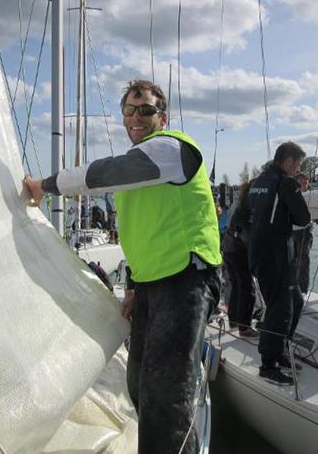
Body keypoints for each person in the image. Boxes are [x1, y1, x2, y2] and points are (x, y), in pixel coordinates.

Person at [24, 79, 222, 454]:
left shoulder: (171, 149)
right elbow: (141, 233)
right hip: (151, 286)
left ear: (161, 116)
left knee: (166, 396)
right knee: (139, 385)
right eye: (129, 111)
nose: (136, 117)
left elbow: (104, 173)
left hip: (186, 281)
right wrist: (132, 285)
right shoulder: (140, 172)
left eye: (145, 110)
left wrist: (45, 186)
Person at [248, 142, 310, 385]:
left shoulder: (259, 182)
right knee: (280, 308)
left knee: (294, 301)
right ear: (290, 161)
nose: (298, 170)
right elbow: (303, 218)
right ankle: (268, 365)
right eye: (299, 165)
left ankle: (280, 349)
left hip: (259, 252)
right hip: (276, 255)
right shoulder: (286, 182)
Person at [222, 180, 258, 337]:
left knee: (237, 285)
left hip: (228, 249)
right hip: (238, 251)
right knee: (248, 287)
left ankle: (235, 321)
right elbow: (247, 236)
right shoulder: (247, 210)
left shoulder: (239, 206)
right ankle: (244, 327)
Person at [292, 173, 313, 294]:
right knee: (293, 260)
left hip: (304, 231)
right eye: (301, 183)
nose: (304, 185)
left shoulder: (310, 196)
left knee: (303, 260)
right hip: (292, 232)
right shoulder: (294, 195)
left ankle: (302, 289)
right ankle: (293, 287)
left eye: (306, 183)